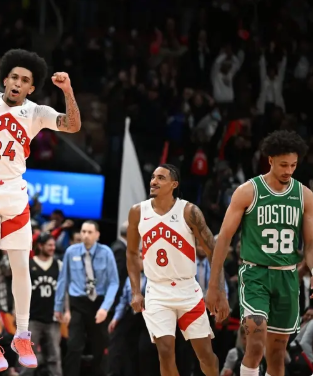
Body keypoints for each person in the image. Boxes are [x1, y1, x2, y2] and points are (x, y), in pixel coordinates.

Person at [0, 48, 81, 372]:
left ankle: (21, 335)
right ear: (5, 78)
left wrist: (68, 91)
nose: (17, 83)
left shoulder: (36, 112)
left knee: (20, 266)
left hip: (14, 194)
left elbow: (72, 125)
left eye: (24, 80)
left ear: (31, 87)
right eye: (13, 77)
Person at [206, 130, 313, 376]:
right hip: (256, 275)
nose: (289, 170)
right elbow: (224, 238)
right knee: (255, 344)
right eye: (284, 165)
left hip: (288, 277)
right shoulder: (248, 191)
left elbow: (310, 245)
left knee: (277, 356)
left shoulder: (304, 195)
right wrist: (215, 285)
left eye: (293, 165)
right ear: (270, 160)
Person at [125, 164, 226, 376]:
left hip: (187, 289)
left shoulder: (189, 211)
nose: (154, 181)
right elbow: (132, 254)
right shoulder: (137, 212)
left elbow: (213, 251)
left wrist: (219, 291)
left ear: (174, 184)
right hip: (157, 291)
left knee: (205, 354)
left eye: (161, 178)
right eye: (153, 177)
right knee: (165, 352)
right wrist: (135, 291)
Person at [54, 221, 118, 376]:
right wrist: (58, 306)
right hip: (78, 303)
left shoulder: (106, 253)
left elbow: (114, 282)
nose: (86, 235)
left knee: (100, 348)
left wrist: (105, 307)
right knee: (73, 346)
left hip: (99, 303)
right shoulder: (71, 252)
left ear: (97, 235)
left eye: (90, 232)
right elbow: (63, 280)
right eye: (83, 231)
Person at [23, 233, 62, 376]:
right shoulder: (29, 264)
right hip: (32, 317)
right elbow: (20, 290)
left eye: (54, 245)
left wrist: (66, 310)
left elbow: (63, 290)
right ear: (40, 246)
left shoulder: (59, 265)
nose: (53, 248)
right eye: (49, 245)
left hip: (52, 318)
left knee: (54, 357)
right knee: (27, 357)